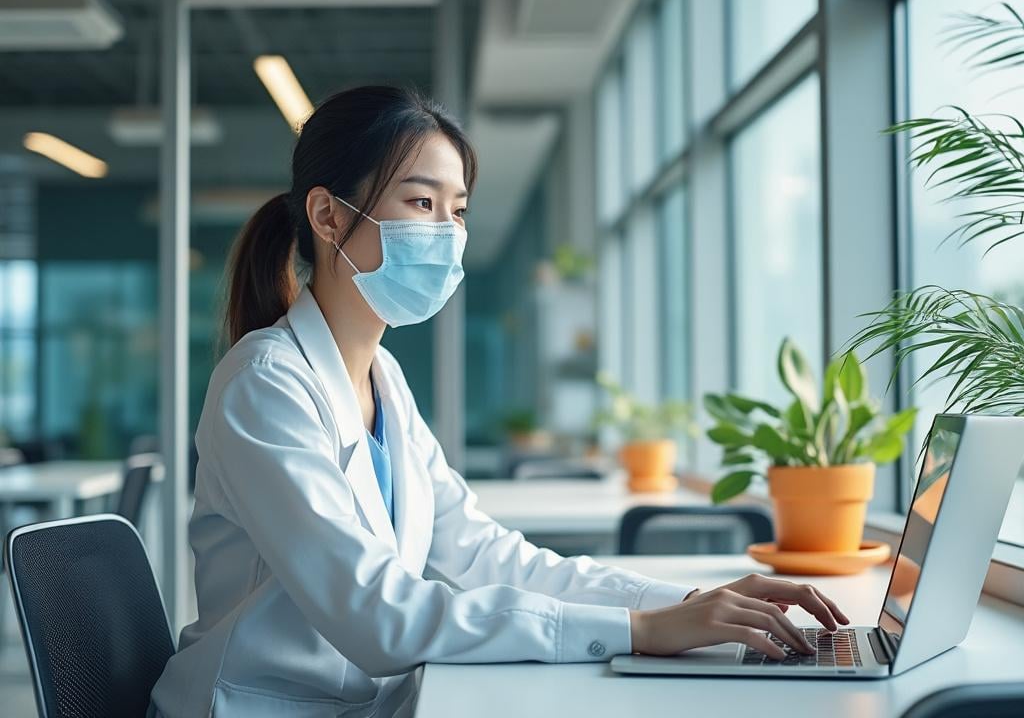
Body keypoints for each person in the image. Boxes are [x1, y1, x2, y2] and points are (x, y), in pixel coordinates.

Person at [149, 86, 848, 718]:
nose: (446, 234)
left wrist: (681, 604)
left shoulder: (383, 379)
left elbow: (487, 557)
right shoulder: (264, 384)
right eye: (421, 204)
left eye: (457, 212)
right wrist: (637, 633)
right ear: (329, 216)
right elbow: (378, 617)